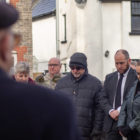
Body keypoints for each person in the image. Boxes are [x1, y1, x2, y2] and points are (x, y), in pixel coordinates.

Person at [0, 2, 80, 140]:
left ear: (60, 67)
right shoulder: (52, 105)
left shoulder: (60, 88)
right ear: (5, 43)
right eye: (15, 40)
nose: (52, 68)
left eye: (55, 65)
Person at [55, 52, 103, 140]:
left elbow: (99, 111)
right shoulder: (61, 84)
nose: (75, 70)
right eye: (72, 68)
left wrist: (96, 133)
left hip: (87, 135)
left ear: (84, 67)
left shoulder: (95, 84)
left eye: (78, 68)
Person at [101, 49, 137, 140]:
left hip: (128, 125)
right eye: (116, 63)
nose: (119, 66)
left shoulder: (136, 77)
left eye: (121, 63)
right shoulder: (109, 78)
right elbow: (102, 98)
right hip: (110, 124)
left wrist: (119, 111)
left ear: (129, 61)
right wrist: (110, 111)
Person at [118, 61, 140, 140]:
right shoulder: (135, 85)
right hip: (131, 134)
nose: (139, 77)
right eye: (137, 73)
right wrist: (120, 124)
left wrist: (129, 127)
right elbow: (125, 104)